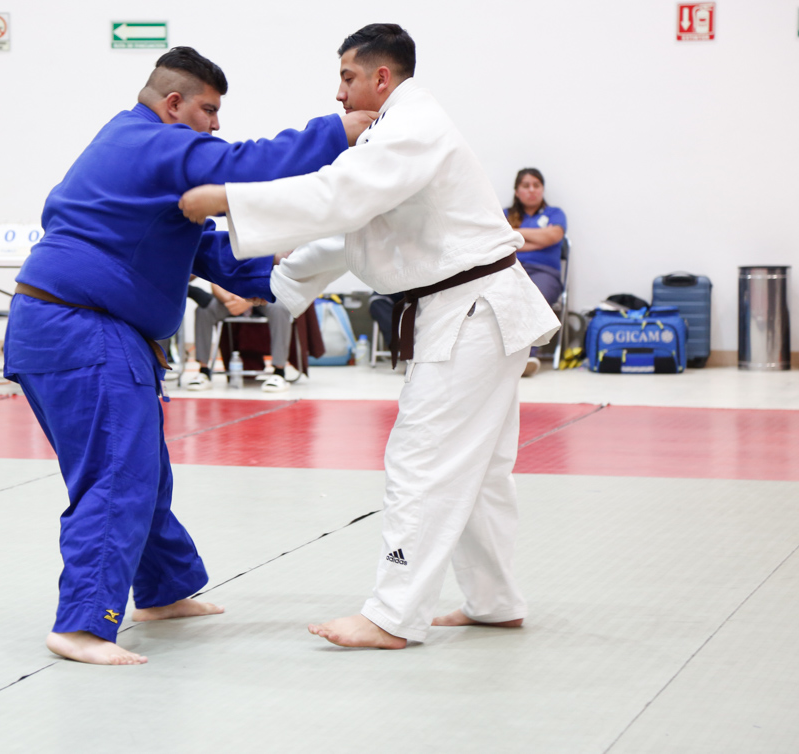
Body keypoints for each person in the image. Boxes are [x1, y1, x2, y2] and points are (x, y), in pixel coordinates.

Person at [180, 25, 559, 649]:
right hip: (476, 309)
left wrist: (230, 199)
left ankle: (392, 615)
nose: (339, 92)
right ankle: (494, 602)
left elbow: (337, 198)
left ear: (382, 77)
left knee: (424, 458)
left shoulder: (413, 125)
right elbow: (352, 232)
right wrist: (275, 285)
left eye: (348, 77)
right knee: (480, 470)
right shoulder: (394, 136)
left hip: (471, 311)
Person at [3, 47, 375, 666]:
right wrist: (338, 131)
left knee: (141, 469)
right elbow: (246, 164)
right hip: (82, 329)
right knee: (118, 474)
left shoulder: (133, 148)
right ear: (174, 104)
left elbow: (203, 249)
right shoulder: (152, 143)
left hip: (74, 327)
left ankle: (163, 591)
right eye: (208, 110)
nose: (215, 124)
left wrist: (288, 271)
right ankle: (81, 626)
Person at [505, 168, 566, 377]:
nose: (532, 190)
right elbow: (499, 241)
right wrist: (539, 240)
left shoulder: (555, 213)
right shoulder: (504, 214)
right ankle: (502, 358)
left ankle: (527, 357)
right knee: (501, 294)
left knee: (534, 295)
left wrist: (515, 235)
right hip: (511, 270)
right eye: (526, 185)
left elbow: (553, 237)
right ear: (517, 191)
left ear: (542, 189)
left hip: (545, 273)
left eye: (536, 185)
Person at [187, 282, 293, 392]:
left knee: (280, 308)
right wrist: (228, 299)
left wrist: (248, 300)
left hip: (261, 295)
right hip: (232, 297)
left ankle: (279, 372)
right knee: (204, 309)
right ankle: (204, 371)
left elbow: (272, 281)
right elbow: (215, 283)